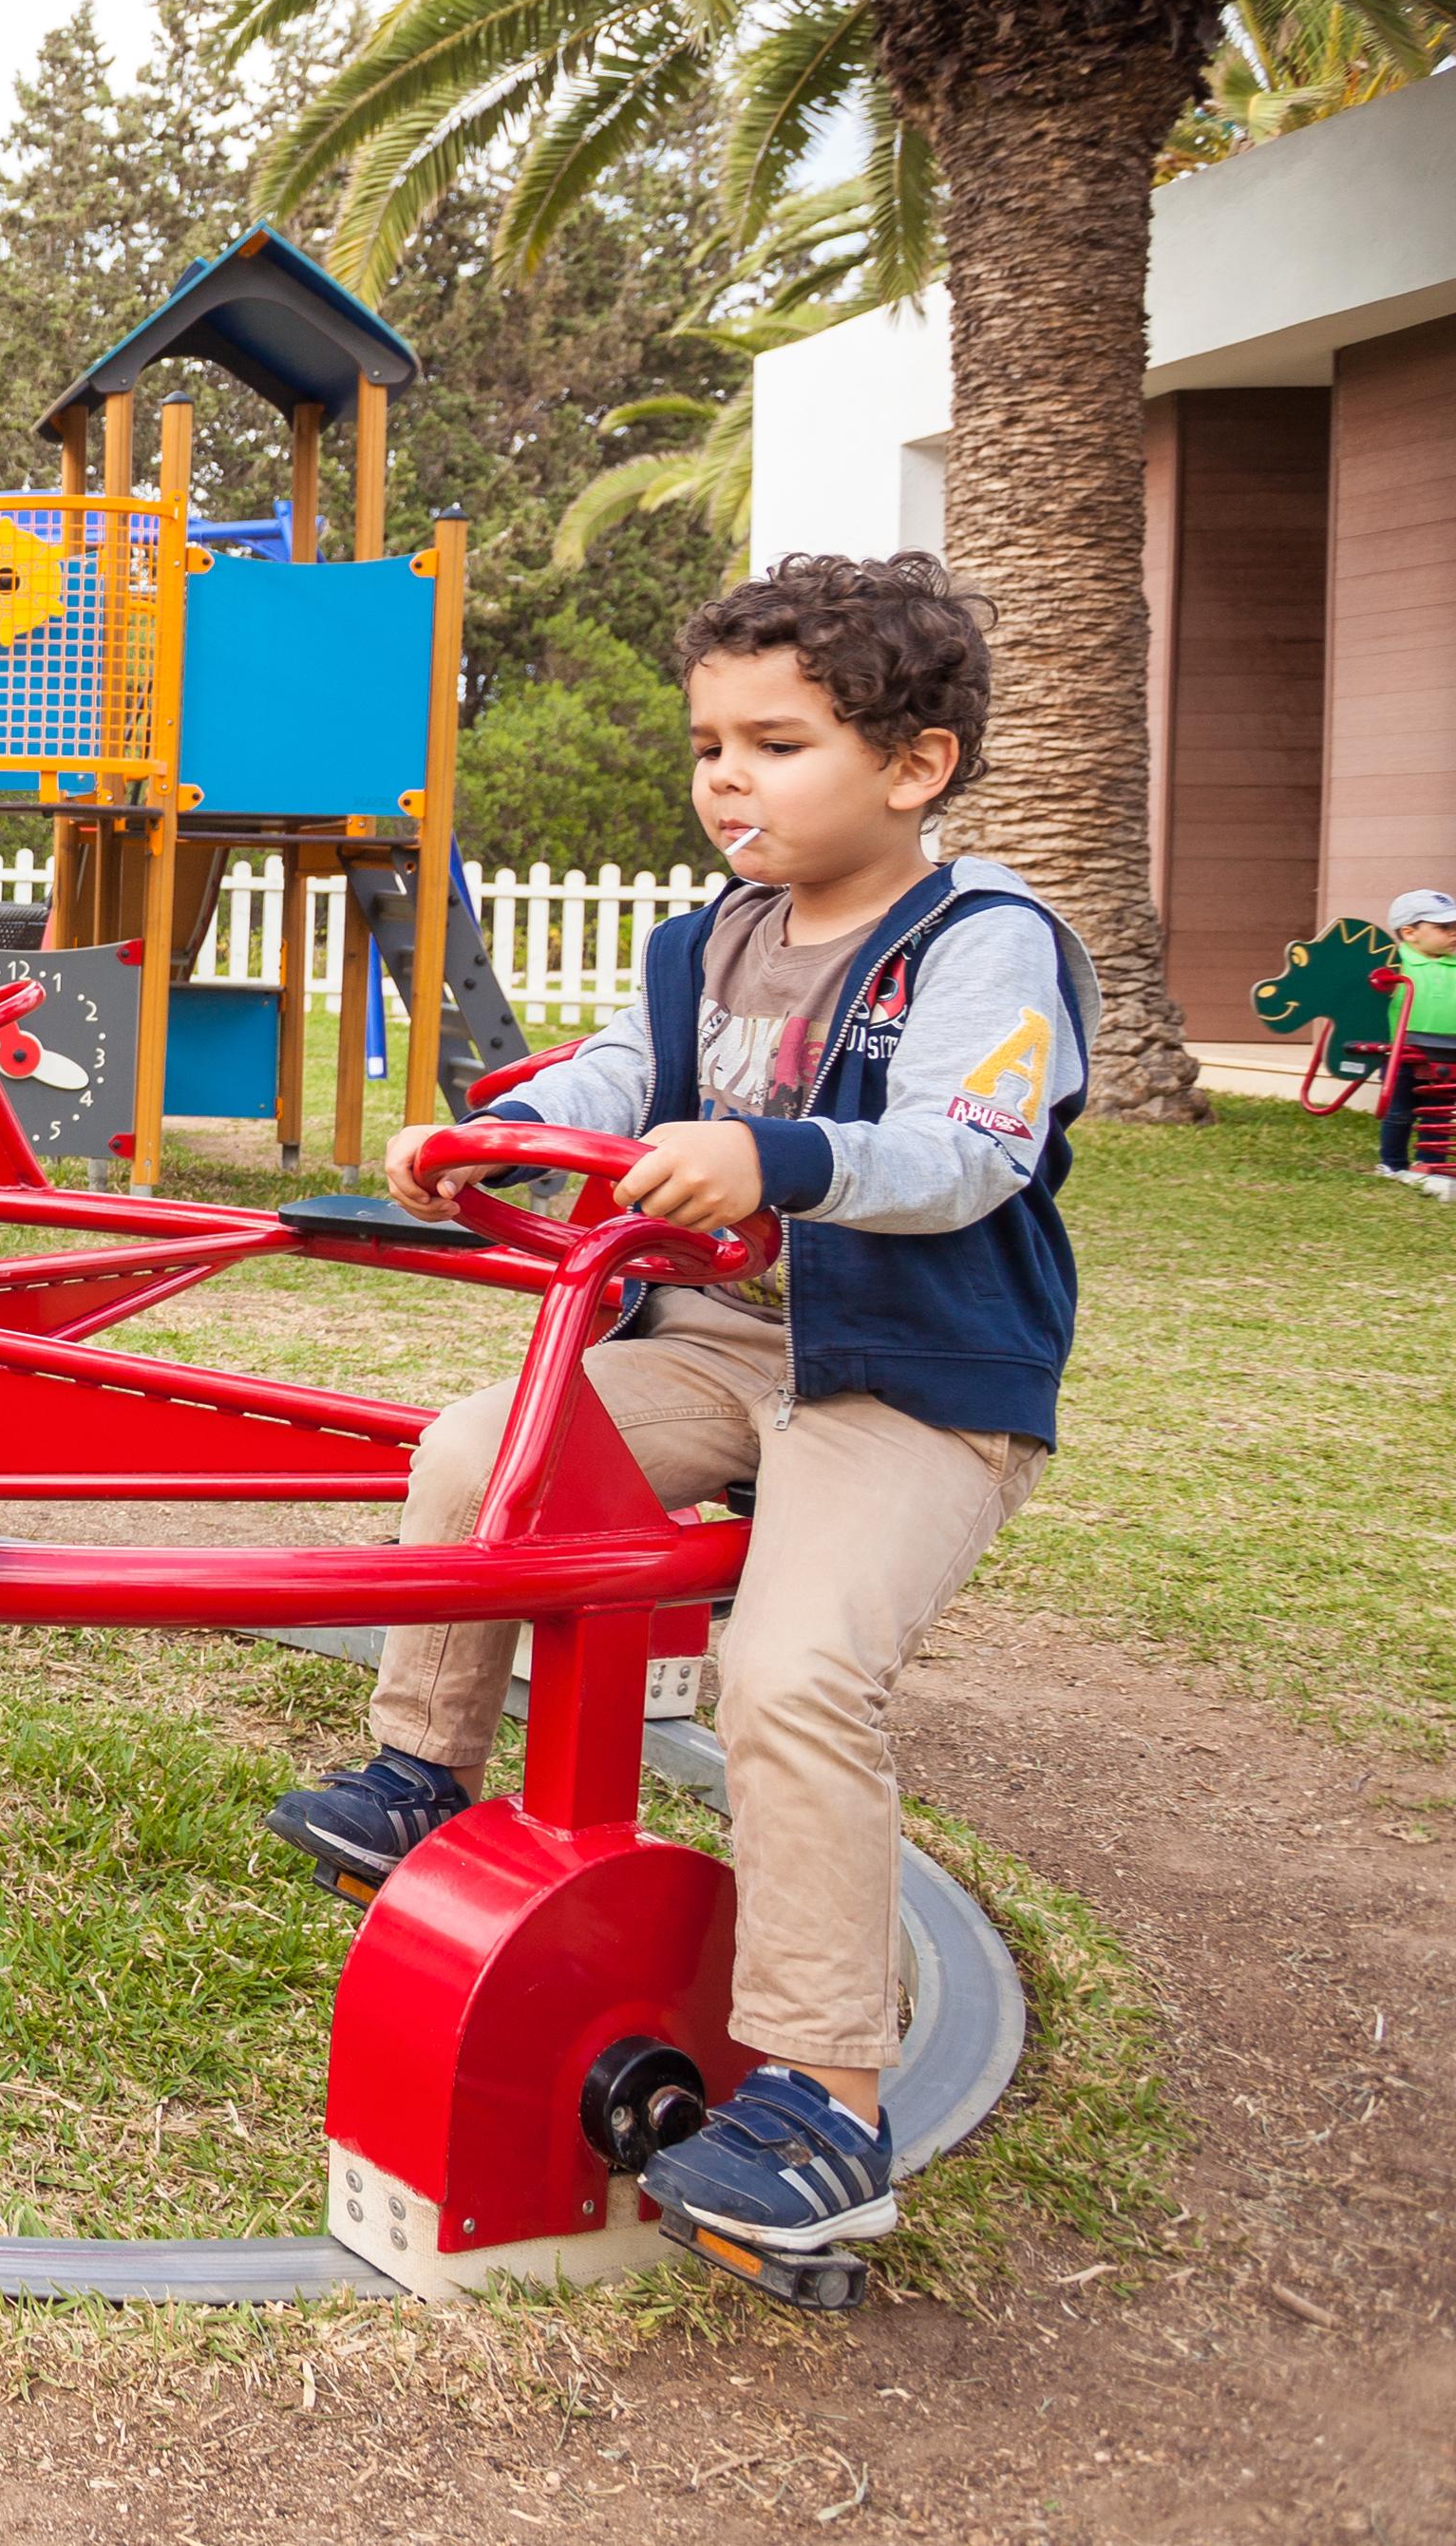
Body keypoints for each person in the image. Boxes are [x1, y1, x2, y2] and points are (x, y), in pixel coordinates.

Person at [266, 550, 1095, 2285]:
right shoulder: (700, 942)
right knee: (480, 1450)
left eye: (773, 744)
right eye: (708, 743)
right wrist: (487, 1126)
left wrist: (773, 1157)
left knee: (788, 1675)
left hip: (906, 1380)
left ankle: (824, 2097)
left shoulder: (980, 946)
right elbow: (607, 1080)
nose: (725, 777)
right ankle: (423, 1771)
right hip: (718, 1348)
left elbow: (966, 1152)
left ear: (913, 764)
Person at [1374, 886, 1456, 1182]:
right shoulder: (1394, 963)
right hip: (1404, 1053)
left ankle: (1430, 1166)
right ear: (1410, 933)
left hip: (1450, 1054)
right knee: (1399, 1112)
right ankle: (1392, 1165)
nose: (1454, 933)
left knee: (1440, 1114)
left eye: (1455, 926)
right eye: (1443, 927)